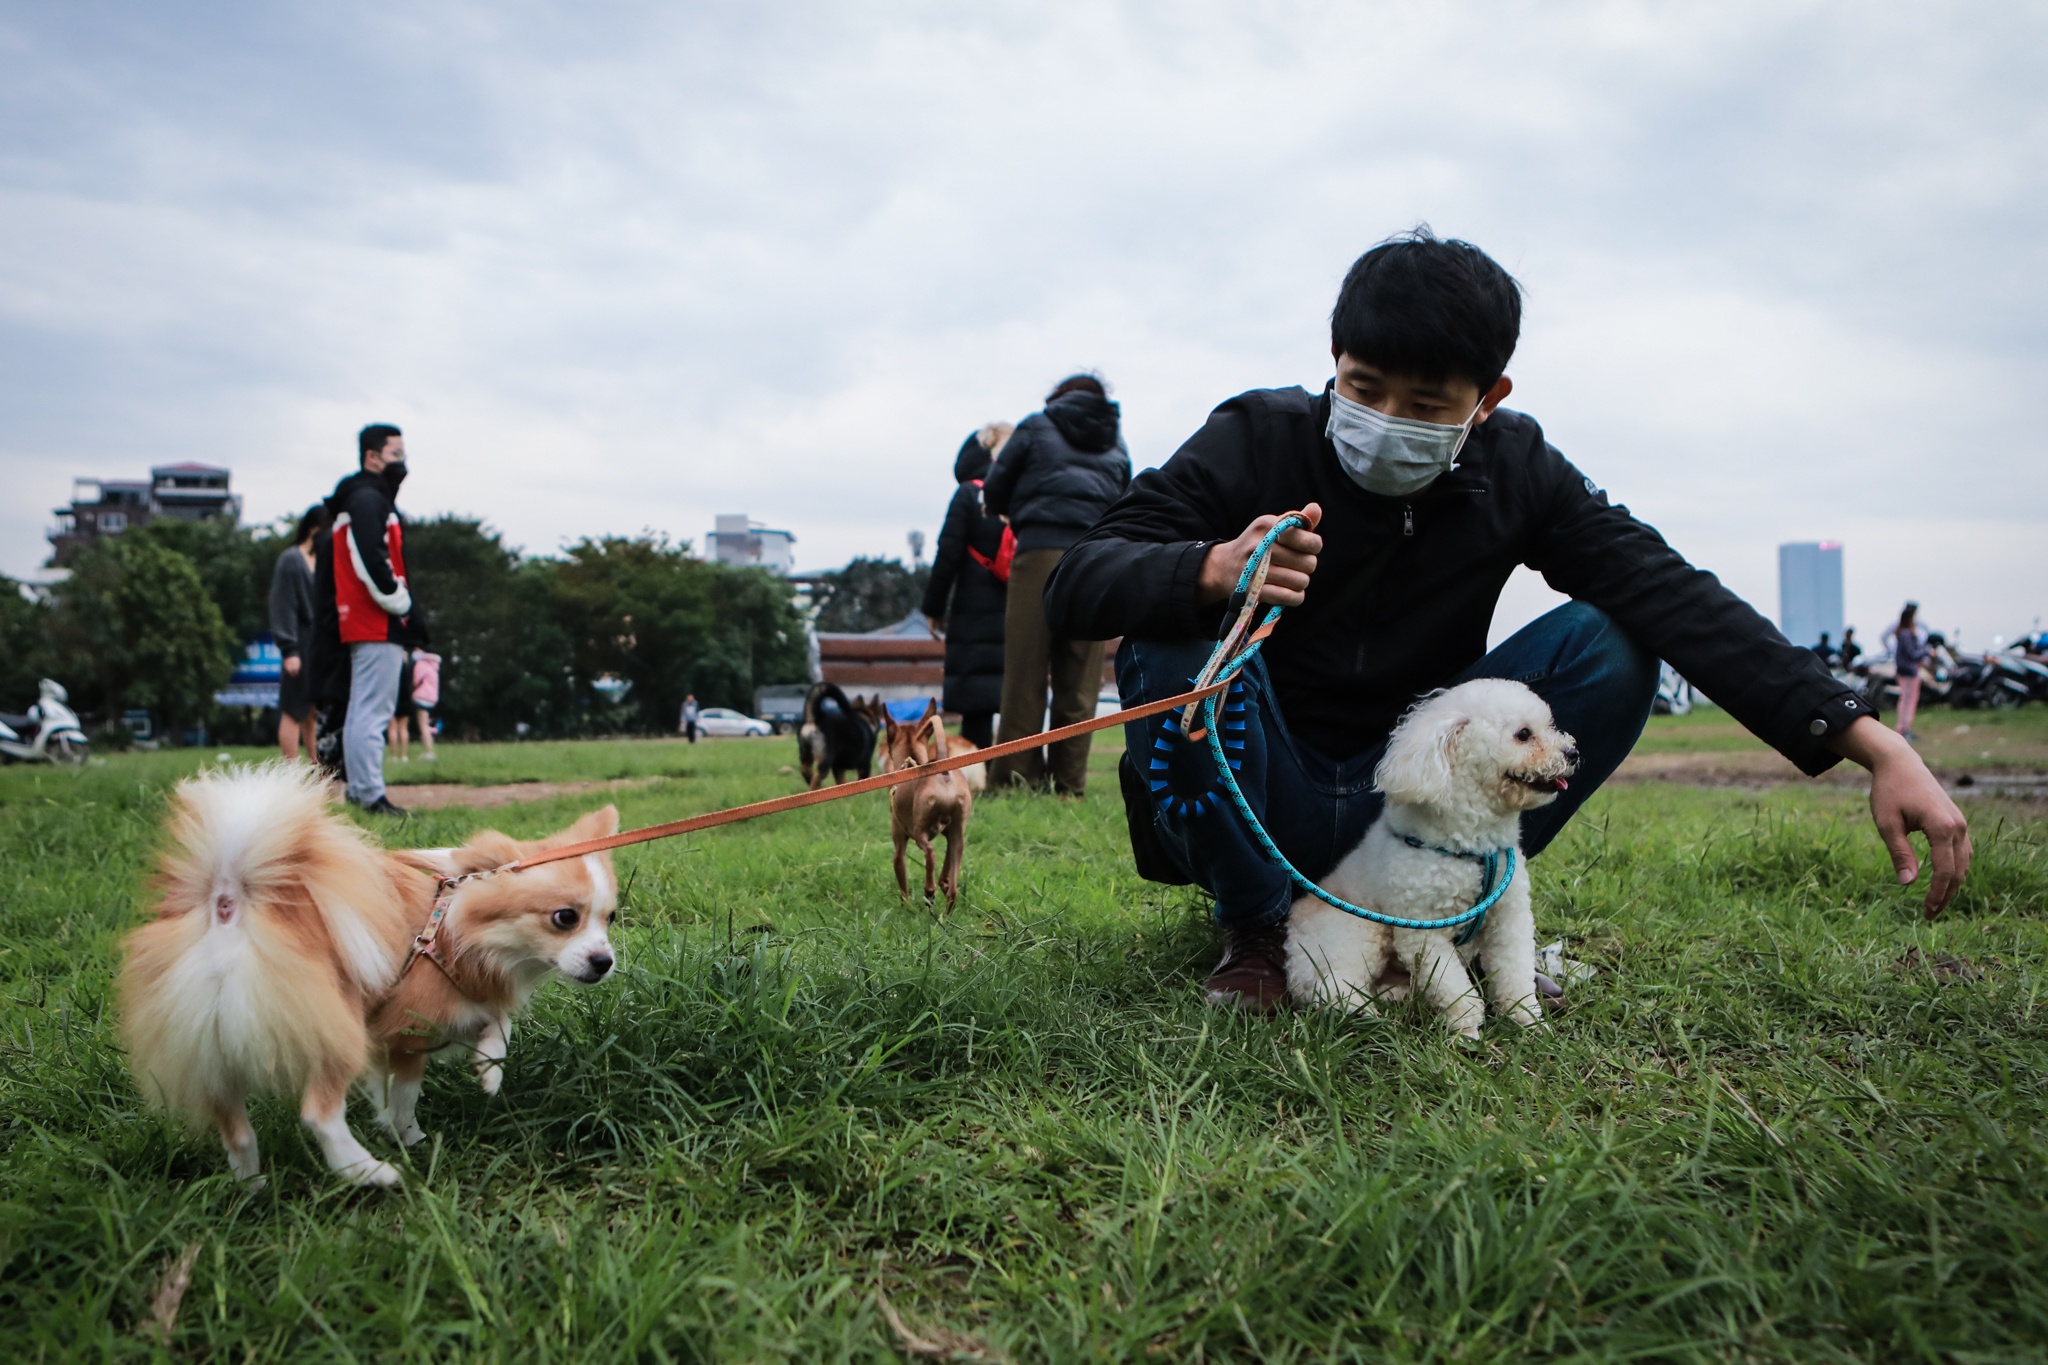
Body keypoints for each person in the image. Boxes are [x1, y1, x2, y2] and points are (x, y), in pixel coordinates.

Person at [1045, 228, 1971, 1012]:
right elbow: (1080, 578)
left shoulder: (1519, 470)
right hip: (1261, 784)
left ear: (1488, 403)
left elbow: (1670, 591)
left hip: (1408, 802)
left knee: (1612, 640)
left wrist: (1873, 743)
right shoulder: (1255, 435)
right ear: (1333, 362)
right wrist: (1209, 567)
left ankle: (1449, 913)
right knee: (1172, 625)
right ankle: (1254, 927)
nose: (1385, 419)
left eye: (1425, 407)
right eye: (1363, 390)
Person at [982, 375, 1132, 794]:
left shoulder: (1036, 425)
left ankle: (1015, 782)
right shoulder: (1115, 441)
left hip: (1039, 554)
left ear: (1059, 398)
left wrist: (1011, 510)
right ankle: (1068, 785)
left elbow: (996, 486)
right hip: (1093, 562)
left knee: (1025, 674)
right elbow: (1126, 501)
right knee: (1081, 681)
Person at [314, 423, 419, 816]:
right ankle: (368, 792)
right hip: (373, 618)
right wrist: (398, 600)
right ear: (372, 457)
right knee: (372, 710)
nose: (403, 463)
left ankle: (363, 790)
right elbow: (371, 555)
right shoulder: (367, 498)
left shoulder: (356, 498)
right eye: (396, 454)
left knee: (364, 708)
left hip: (363, 617)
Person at [921, 423, 1016, 748]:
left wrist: (933, 609)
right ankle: (1016, 767)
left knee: (978, 701)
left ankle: (977, 766)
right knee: (1015, 693)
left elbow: (946, 555)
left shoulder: (968, 494)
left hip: (973, 612)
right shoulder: (1021, 493)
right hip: (1016, 606)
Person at [268, 504, 327, 761]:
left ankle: (317, 769)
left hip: (320, 644)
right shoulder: (291, 560)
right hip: (299, 642)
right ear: (314, 528)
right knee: (294, 710)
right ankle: (289, 770)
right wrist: (289, 649)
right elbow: (283, 605)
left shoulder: (324, 560)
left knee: (314, 711)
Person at [1884, 603, 1930, 741]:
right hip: (1909, 671)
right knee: (1908, 700)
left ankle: (1904, 727)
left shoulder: (1902, 632)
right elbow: (1912, 654)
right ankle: (1904, 729)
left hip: (1906, 669)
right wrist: (1926, 651)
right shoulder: (1906, 633)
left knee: (1907, 699)